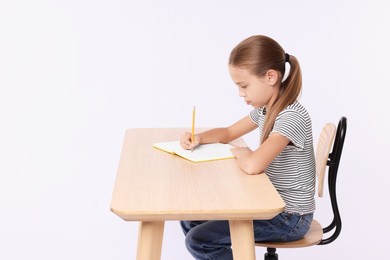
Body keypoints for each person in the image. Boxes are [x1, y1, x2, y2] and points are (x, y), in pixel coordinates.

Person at [179, 35, 316, 260]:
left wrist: (244, 154)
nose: (241, 93)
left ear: (270, 77)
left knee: (199, 239)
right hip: (270, 203)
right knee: (191, 219)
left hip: (290, 218)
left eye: (244, 85)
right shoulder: (266, 108)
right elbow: (229, 133)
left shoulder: (291, 116)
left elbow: (253, 165)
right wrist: (198, 137)